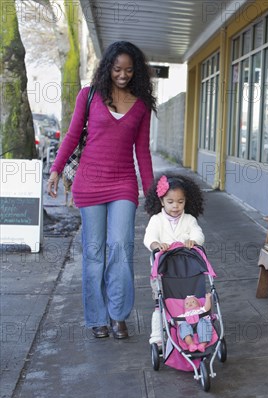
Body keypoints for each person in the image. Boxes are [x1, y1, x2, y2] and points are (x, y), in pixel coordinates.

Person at [47, 41, 157, 340]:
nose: (122, 75)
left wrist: (151, 194)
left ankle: (118, 315)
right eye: (117, 69)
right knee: (94, 253)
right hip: (89, 183)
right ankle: (97, 317)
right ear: (108, 66)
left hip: (123, 183)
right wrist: (55, 170)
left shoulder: (141, 104)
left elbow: (143, 152)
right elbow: (71, 135)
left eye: (129, 70)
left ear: (136, 72)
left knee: (120, 249)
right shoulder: (90, 95)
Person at [143, 174, 205, 344]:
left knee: (188, 303)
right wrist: (156, 244)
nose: (175, 206)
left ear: (186, 201)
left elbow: (198, 234)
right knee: (160, 304)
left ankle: (192, 332)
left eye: (180, 202)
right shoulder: (157, 220)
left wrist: (193, 241)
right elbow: (148, 238)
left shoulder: (189, 220)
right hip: (162, 271)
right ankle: (157, 337)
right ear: (162, 201)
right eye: (170, 202)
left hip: (186, 271)